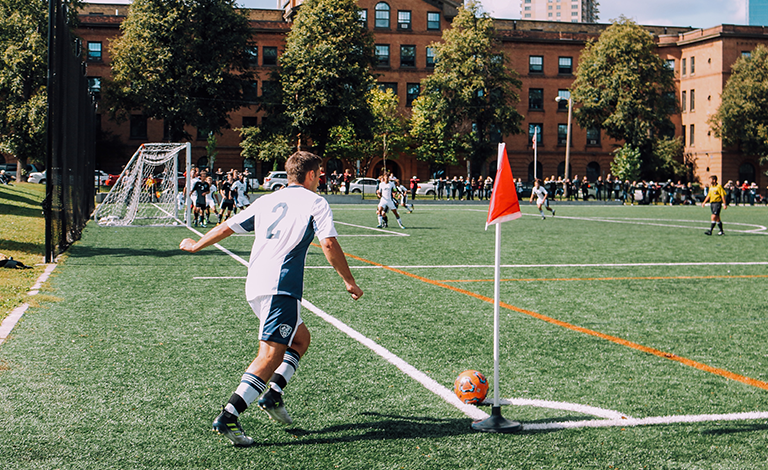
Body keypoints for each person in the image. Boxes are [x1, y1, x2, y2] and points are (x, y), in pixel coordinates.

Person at [179, 151, 363, 447]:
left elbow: (227, 226)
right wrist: (349, 281)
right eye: (320, 175)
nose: (321, 180)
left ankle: (273, 395)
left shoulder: (266, 200)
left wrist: (197, 244)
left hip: (255, 283)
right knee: (269, 355)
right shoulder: (315, 202)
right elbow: (327, 242)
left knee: (300, 339)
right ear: (312, 175)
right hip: (281, 286)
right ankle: (228, 416)